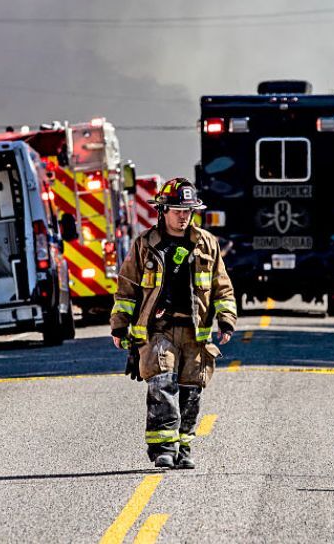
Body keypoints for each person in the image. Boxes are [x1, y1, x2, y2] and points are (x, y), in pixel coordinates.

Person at [110, 178, 237, 470]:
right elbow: (127, 288)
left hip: (195, 332)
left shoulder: (206, 243)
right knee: (162, 384)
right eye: (178, 210)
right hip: (158, 329)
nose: (183, 216)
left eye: (188, 211)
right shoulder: (145, 244)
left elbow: (222, 286)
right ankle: (164, 448)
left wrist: (226, 320)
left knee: (191, 391)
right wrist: (119, 326)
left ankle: (184, 446)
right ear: (163, 210)